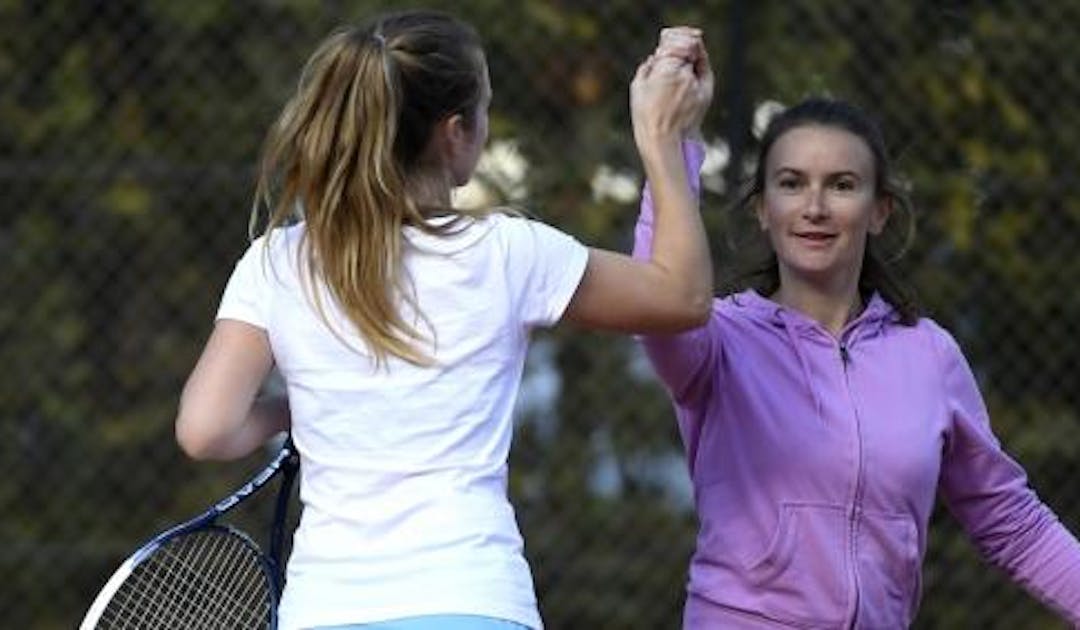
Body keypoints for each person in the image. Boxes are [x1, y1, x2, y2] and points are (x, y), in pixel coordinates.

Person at [174, 10, 713, 630]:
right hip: (473, 600)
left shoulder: (277, 260)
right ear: (455, 133)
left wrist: (303, 407)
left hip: (324, 612)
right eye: (484, 109)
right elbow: (683, 299)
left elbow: (206, 429)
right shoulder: (506, 253)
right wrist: (663, 139)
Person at [633, 95, 1080, 627]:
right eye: (791, 183)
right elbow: (657, 302)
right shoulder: (720, 339)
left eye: (842, 185)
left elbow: (1012, 522)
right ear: (762, 208)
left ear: (879, 210)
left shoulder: (929, 354)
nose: (815, 206)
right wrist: (673, 141)